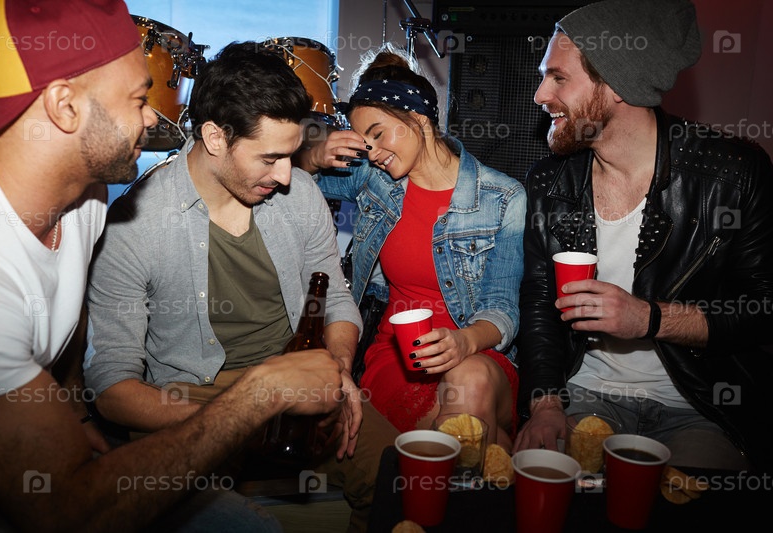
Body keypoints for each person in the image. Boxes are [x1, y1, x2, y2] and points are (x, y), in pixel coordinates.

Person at [0, 2, 343, 531]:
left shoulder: (86, 199)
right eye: (139, 98)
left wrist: (72, 410)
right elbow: (66, 510)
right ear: (64, 106)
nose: (153, 117)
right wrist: (259, 397)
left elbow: (69, 318)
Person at [83, 41, 399, 532]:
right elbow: (112, 389)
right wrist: (240, 416)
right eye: (270, 158)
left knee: (399, 479)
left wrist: (337, 370)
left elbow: (335, 298)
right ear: (215, 137)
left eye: (292, 155)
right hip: (191, 399)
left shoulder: (300, 195)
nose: (287, 175)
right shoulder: (135, 225)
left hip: (294, 377)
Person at [513, 0, 773, 474]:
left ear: (617, 84)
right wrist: (546, 402)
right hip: (585, 394)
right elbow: (537, 302)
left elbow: (761, 310)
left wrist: (649, 319)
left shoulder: (732, 175)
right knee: (548, 485)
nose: (539, 95)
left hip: (698, 405)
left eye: (558, 77)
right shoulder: (548, 183)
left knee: (694, 498)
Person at [296, 44, 526, 450]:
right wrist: (314, 155)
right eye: (364, 142)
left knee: (470, 380)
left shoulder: (503, 197)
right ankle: (493, 460)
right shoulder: (373, 179)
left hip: (478, 350)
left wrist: (464, 341)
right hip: (398, 355)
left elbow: (503, 308)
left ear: (418, 119)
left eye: (378, 134)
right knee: (472, 438)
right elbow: (285, 185)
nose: (372, 152)